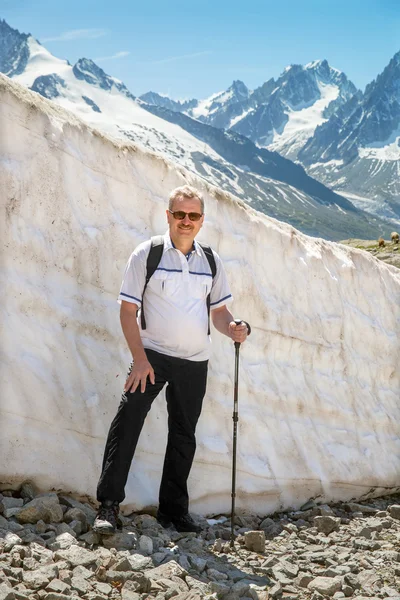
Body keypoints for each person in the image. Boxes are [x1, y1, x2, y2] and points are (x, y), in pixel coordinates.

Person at [93, 185, 248, 534]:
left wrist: (234, 327)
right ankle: (108, 505)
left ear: (202, 220)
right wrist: (140, 359)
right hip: (152, 358)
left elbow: (219, 311)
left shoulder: (211, 260)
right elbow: (127, 310)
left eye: (193, 215)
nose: (186, 221)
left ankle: (173, 512)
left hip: (195, 362)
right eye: (180, 214)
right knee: (128, 422)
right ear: (168, 216)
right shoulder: (148, 253)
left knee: (184, 435)